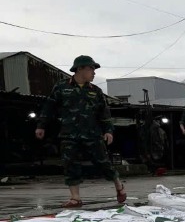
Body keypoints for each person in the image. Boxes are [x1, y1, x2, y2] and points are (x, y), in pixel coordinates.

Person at [35, 55, 126, 208]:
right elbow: (48, 107)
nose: (94, 73)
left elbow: (104, 114)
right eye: (91, 69)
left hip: (92, 134)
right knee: (70, 164)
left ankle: (119, 185)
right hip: (69, 134)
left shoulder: (96, 91)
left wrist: (108, 131)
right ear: (80, 69)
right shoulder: (61, 87)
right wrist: (41, 125)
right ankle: (75, 198)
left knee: (103, 164)